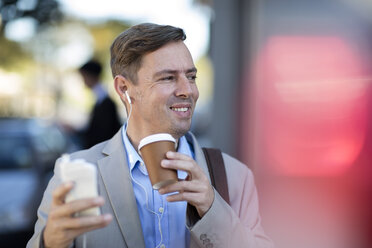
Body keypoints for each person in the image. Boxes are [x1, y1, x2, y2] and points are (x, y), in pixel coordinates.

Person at [27, 23, 273, 248]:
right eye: (168, 78)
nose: (188, 90)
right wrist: (50, 243)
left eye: (191, 76)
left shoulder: (235, 176)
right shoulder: (75, 176)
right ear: (124, 89)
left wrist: (213, 209)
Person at [77, 60, 122, 149]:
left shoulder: (106, 103)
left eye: (84, 77)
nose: (83, 81)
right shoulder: (101, 100)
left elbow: (102, 134)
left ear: (91, 76)